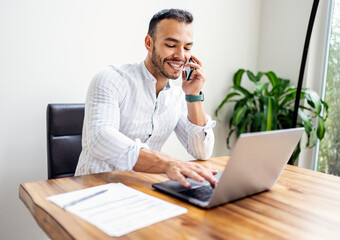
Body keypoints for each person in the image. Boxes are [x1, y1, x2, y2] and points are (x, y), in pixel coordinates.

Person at [75, 9, 217, 187]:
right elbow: (100, 139)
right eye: (171, 45)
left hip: (143, 190)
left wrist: (193, 95)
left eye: (187, 47)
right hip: (95, 189)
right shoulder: (110, 79)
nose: (181, 56)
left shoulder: (177, 95)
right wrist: (167, 164)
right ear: (149, 43)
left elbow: (202, 151)